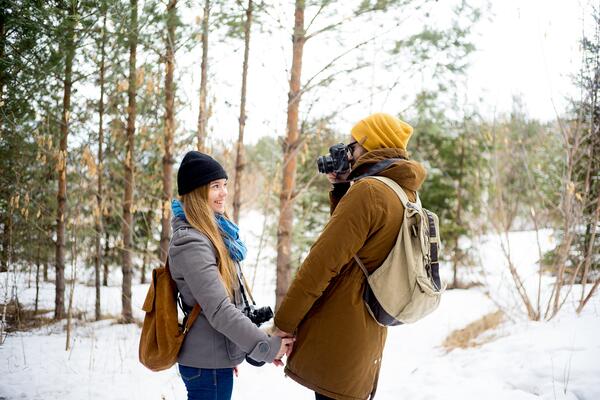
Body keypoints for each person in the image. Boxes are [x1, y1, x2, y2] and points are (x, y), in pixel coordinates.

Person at [274, 113, 428, 400]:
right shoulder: (402, 191)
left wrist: (283, 324)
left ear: (372, 146)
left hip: (341, 330)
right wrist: (343, 187)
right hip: (369, 329)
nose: (348, 152)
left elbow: (322, 263)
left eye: (354, 145)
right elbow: (359, 244)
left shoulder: (370, 191)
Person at [169, 151, 294, 400]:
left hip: (213, 360)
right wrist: (266, 347)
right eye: (215, 186)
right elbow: (218, 310)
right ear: (196, 192)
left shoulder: (214, 234)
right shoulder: (191, 242)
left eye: (224, 184)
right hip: (206, 366)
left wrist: (231, 351)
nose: (224, 192)